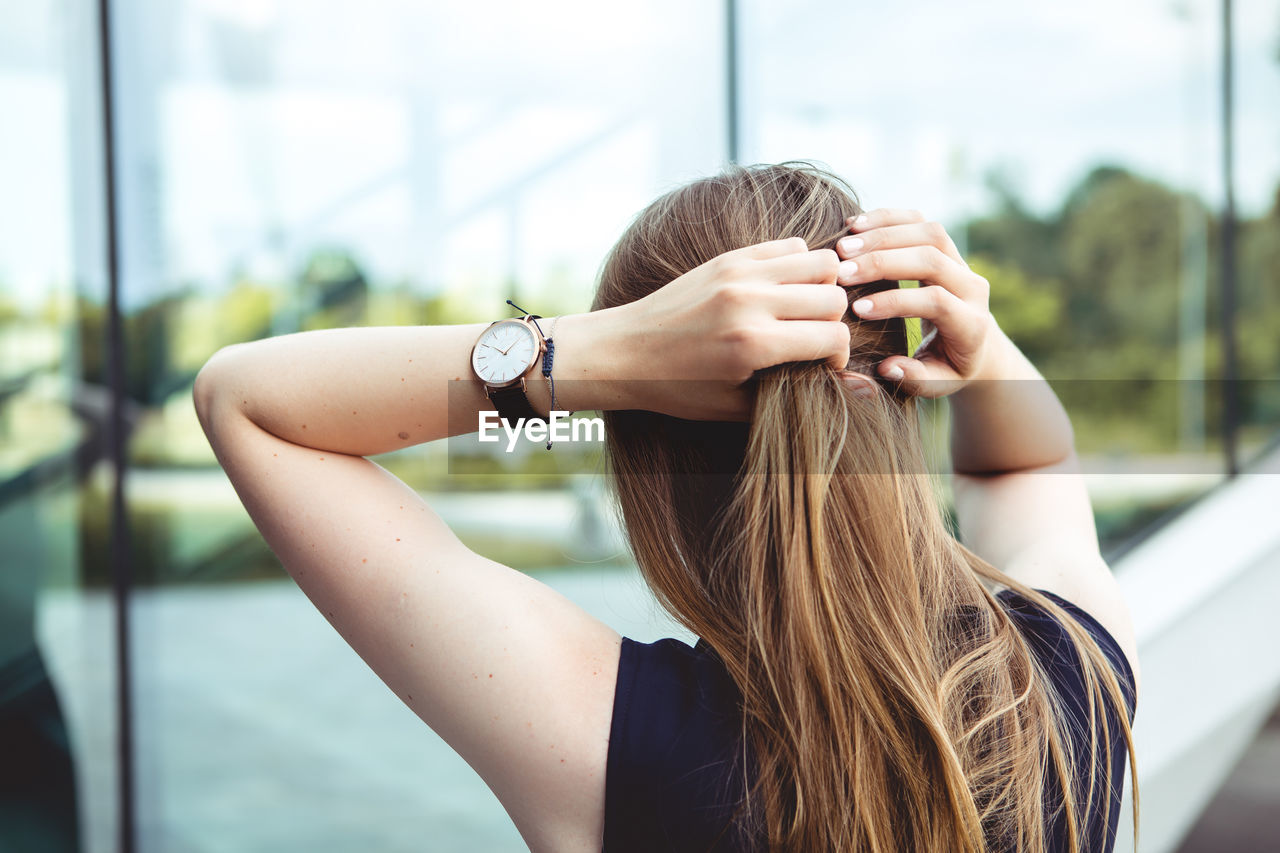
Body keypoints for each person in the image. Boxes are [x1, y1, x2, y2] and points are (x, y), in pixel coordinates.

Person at [194, 162, 1139, 852]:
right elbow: (1032, 462)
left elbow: (247, 401)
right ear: (897, 400)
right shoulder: (1070, 677)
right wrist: (982, 328)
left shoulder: (606, 737)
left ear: (641, 464)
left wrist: (598, 354)